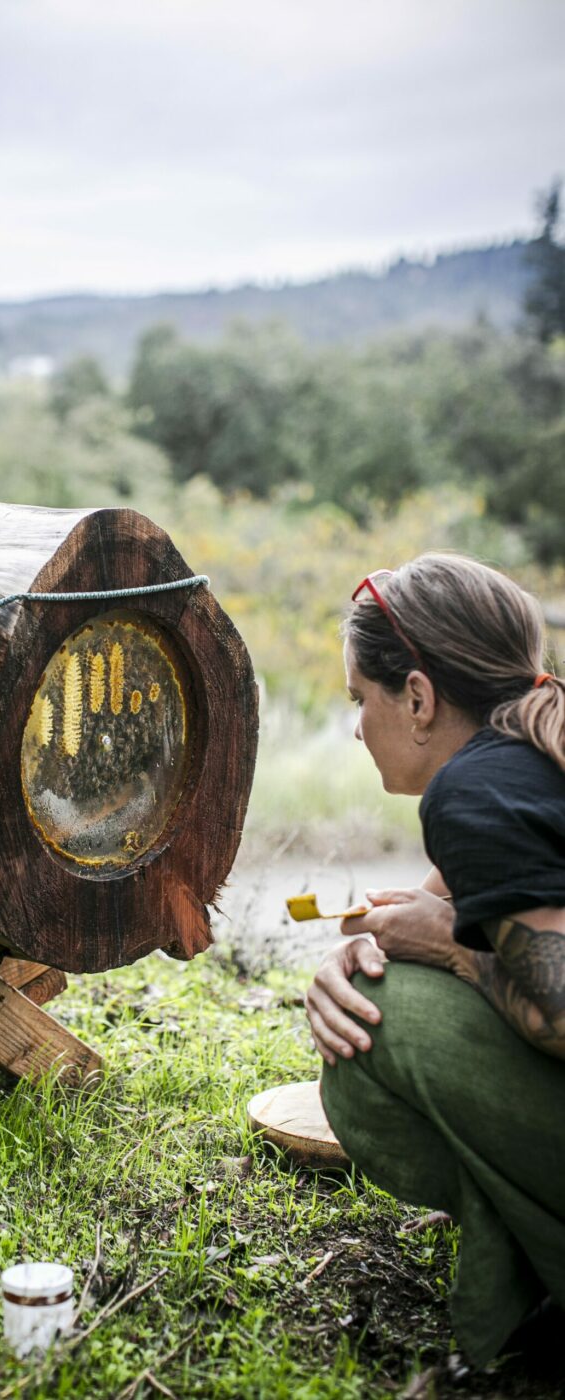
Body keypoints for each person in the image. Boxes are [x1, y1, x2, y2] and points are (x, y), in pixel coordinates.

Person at [305, 552, 565, 1368]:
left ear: (417, 697)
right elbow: (424, 910)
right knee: (390, 994)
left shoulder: (475, 791)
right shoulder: (529, 750)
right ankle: (521, 1287)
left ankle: (517, 1312)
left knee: (379, 1038)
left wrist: (452, 952)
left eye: (360, 699)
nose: (355, 725)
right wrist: (355, 953)